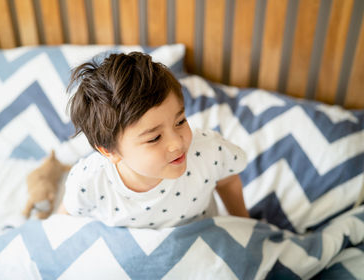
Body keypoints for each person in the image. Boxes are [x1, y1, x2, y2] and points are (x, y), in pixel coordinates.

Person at [58, 52, 249, 229]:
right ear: (110, 152)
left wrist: (245, 226)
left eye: (180, 121)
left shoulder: (208, 151)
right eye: (155, 138)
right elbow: (60, 225)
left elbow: (228, 180)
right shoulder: (89, 180)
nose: (177, 143)